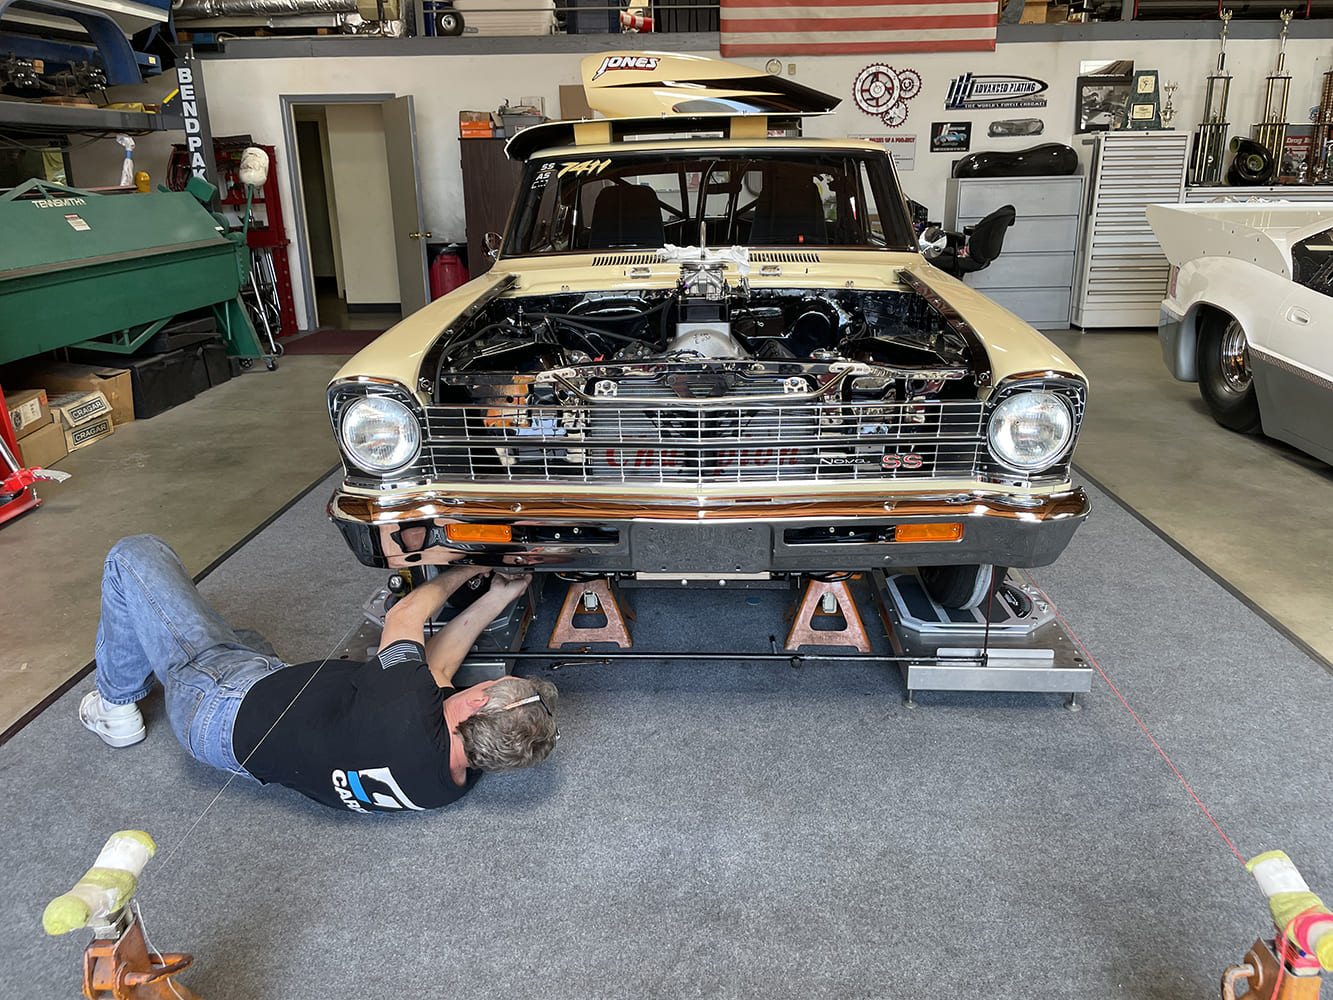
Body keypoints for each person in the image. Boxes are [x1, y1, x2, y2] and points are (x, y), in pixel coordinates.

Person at [79, 535, 559, 814]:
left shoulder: (405, 706)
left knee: (134, 557)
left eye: (486, 687)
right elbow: (437, 667)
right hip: (258, 731)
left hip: (220, 703)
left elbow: (406, 616)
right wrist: (497, 597)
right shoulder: (453, 781)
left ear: (477, 703)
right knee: (242, 634)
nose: (476, 685)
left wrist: (465, 564)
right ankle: (200, 652)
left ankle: (116, 703)